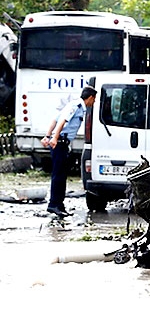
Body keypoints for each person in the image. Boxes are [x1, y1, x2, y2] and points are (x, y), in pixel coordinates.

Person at [41, 85, 97, 217]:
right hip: (60, 143)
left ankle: (59, 205)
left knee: (61, 175)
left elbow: (55, 120)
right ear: (90, 98)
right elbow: (62, 121)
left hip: (61, 143)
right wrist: (54, 138)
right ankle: (53, 204)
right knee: (58, 175)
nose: (94, 102)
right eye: (94, 99)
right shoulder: (76, 106)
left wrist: (47, 136)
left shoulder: (73, 104)